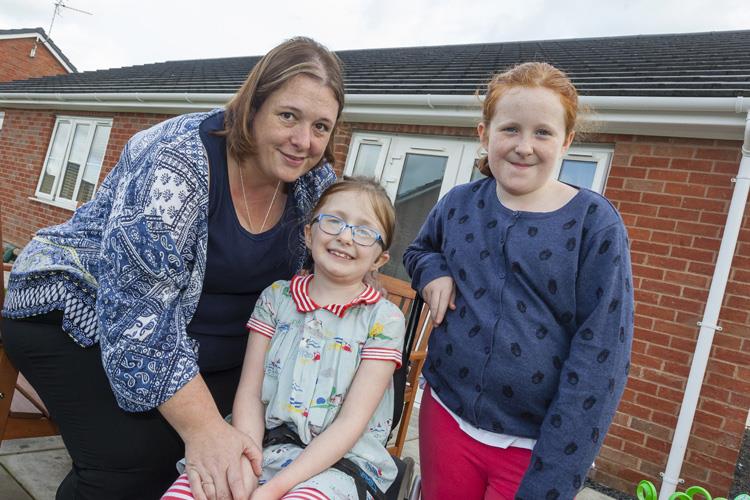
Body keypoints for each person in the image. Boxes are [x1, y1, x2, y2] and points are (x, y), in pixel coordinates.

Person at [1, 36, 345, 500]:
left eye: (321, 126)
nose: (304, 141)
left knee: (256, 451)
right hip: (79, 306)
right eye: (289, 116)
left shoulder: (313, 183)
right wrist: (203, 428)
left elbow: (329, 275)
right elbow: (134, 315)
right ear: (253, 107)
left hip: (203, 341)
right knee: (133, 460)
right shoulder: (176, 160)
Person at [403, 62, 634, 499]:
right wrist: (435, 272)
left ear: (566, 140)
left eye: (543, 133)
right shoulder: (458, 203)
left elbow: (602, 355)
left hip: (533, 448)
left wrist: (557, 472)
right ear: (483, 134)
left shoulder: (594, 223)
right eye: (510, 129)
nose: (524, 146)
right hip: (445, 416)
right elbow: (419, 251)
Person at [161, 177, 406, 500]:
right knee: (194, 492)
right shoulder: (276, 300)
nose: (346, 237)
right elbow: (249, 394)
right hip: (263, 443)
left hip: (339, 464)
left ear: (379, 259)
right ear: (308, 233)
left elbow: (351, 423)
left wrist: (274, 489)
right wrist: (248, 464)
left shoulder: (384, 320)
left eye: (364, 231)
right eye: (334, 221)